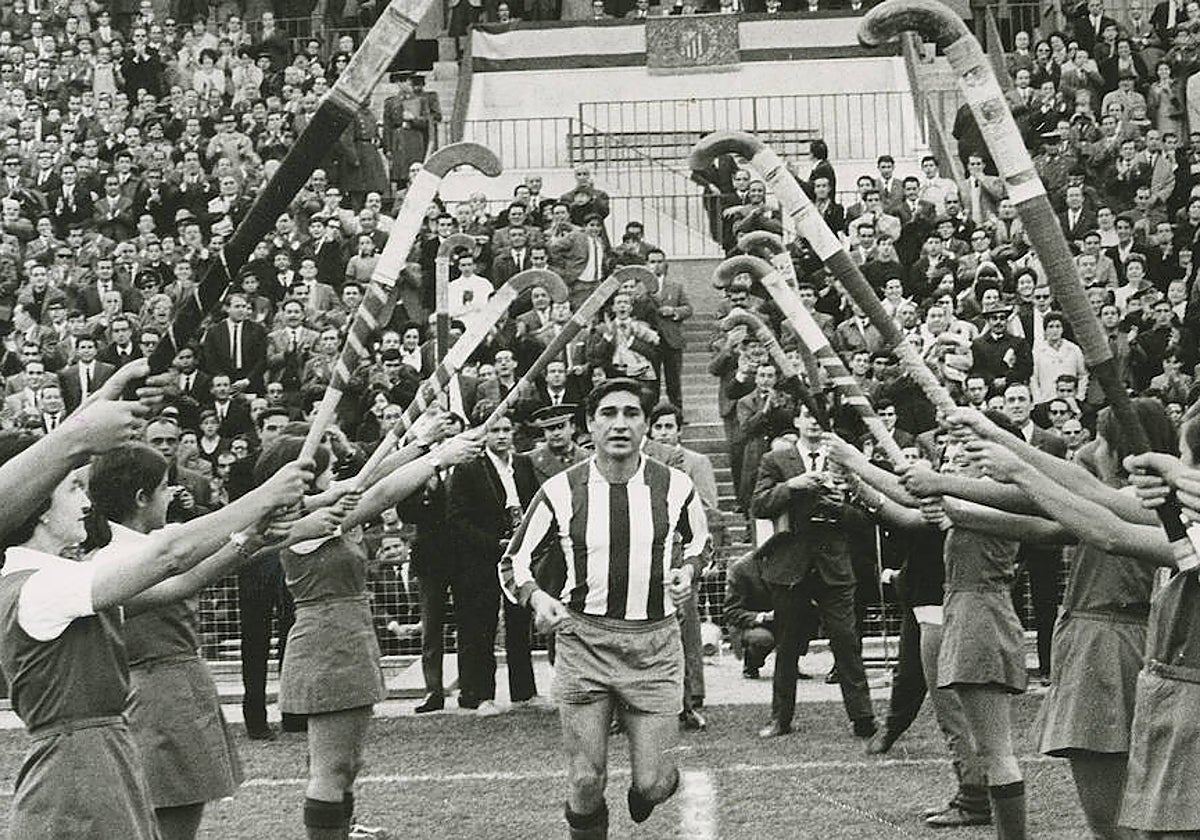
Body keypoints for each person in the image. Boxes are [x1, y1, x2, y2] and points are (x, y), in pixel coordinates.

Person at [0, 372, 310, 839]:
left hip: (98, 756)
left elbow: (174, 583)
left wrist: (249, 536)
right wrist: (262, 497)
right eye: (73, 490)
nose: (86, 503)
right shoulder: (45, 585)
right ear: (40, 509)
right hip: (75, 769)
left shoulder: (57, 577)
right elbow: (170, 555)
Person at [500, 378, 710, 840]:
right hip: (584, 643)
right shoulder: (560, 490)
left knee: (654, 783)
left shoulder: (675, 486)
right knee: (584, 779)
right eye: (608, 414)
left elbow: (701, 543)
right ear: (589, 426)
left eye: (631, 414)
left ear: (646, 425)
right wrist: (537, 596)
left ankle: (649, 789)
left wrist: (688, 571)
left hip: (654, 647)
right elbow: (513, 561)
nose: (620, 424)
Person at [266, 427, 481, 840]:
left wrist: (422, 444)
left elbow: (370, 479)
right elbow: (379, 495)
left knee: (347, 764)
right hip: (328, 641)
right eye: (330, 471)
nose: (338, 478)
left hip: (346, 635)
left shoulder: (318, 508)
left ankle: (342, 830)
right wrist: (439, 459)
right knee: (331, 768)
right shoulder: (302, 522)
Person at [751, 403, 877, 740]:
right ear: (796, 421)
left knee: (846, 642)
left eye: (820, 418)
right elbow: (758, 504)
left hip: (834, 565)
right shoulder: (776, 460)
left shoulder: (845, 459)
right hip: (791, 565)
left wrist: (841, 507)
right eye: (807, 416)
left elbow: (866, 519)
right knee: (788, 645)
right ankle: (781, 718)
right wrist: (793, 485)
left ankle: (863, 717)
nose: (814, 424)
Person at [446, 408, 540, 715]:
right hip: (481, 559)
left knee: (519, 623)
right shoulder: (469, 469)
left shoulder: (523, 465)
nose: (501, 436)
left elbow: (533, 504)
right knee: (481, 626)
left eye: (506, 430)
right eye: (495, 430)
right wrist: (491, 544)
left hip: (517, 557)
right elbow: (457, 518)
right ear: (484, 434)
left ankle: (524, 692)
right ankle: (481, 695)